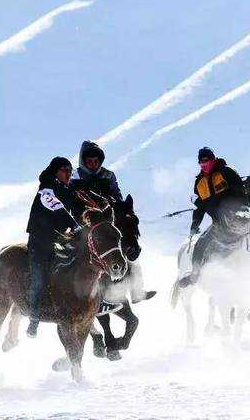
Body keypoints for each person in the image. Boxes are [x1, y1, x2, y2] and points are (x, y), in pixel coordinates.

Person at [71, 140, 155, 305]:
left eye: (96, 161)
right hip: (85, 220)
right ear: (83, 160)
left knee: (129, 248)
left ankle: (137, 291)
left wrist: (113, 205)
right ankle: (86, 297)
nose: (93, 164)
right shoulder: (75, 176)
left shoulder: (108, 175)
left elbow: (117, 196)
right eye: (89, 161)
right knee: (79, 251)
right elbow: (73, 198)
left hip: (108, 220)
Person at [25, 157, 82, 338]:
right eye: (64, 170)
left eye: (70, 171)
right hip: (39, 242)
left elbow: (77, 206)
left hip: (58, 240)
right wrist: (73, 225)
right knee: (39, 280)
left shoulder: (67, 189)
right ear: (55, 172)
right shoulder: (47, 189)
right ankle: (33, 319)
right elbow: (57, 207)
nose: (68, 174)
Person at [182, 147, 247, 285]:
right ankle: (195, 275)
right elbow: (199, 207)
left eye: (207, 160)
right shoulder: (199, 183)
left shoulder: (226, 172)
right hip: (218, 224)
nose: (204, 164)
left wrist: (238, 210)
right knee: (200, 244)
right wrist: (195, 225)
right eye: (201, 162)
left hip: (236, 219)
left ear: (213, 159)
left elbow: (241, 193)